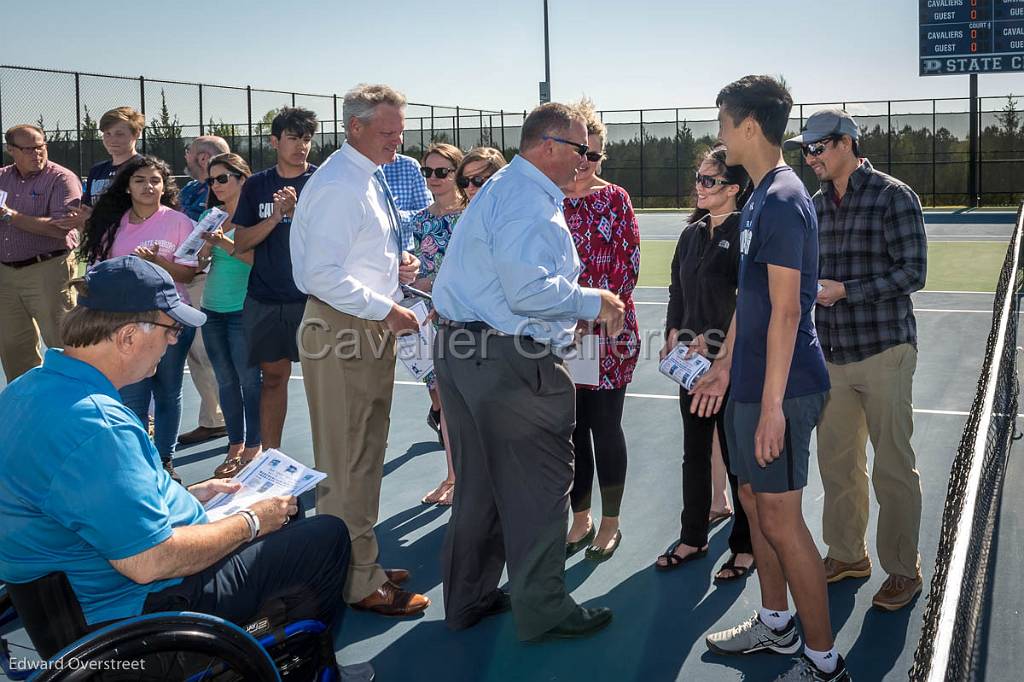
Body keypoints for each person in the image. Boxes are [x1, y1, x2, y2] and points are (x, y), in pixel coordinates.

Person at [0, 255, 372, 681]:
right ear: (126, 337)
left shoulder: (28, 389)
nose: (174, 341)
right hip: (135, 620)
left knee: (285, 517)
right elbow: (149, 561)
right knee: (324, 536)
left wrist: (189, 494)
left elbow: (79, 497)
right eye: (170, 329)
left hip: (75, 604)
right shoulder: (95, 424)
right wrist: (252, 521)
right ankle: (295, 667)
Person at [432, 102, 625, 642]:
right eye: (581, 149)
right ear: (549, 146)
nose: (587, 159)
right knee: (542, 487)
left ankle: (468, 598)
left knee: (479, 486)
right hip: (504, 361)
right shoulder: (527, 200)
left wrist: (566, 320)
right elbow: (529, 291)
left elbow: (510, 290)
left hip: (463, 348)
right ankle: (542, 609)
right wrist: (596, 303)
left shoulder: (505, 189)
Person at [691, 75, 849, 681]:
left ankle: (824, 661)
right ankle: (778, 625)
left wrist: (772, 407)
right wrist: (727, 363)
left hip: (783, 389)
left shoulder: (782, 199)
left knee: (782, 519)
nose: (720, 135)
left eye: (725, 123)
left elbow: (788, 311)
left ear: (749, 126)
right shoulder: (759, 196)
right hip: (753, 382)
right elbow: (750, 301)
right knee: (755, 505)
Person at [290, 83, 430, 617]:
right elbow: (317, 273)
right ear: (356, 127)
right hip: (346, 328)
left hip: (362, 325)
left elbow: (352, 257)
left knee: (364, 453)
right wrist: (388, 308)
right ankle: (356, 579)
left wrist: (397, 269)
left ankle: (358, 562)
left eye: (400, 130)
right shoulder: (340, 186)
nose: (399, 139)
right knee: (348, 460)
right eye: (388, 131)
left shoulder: (366, 178)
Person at [784, 109, 927, 611]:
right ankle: (847, 555)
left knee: (892, 468)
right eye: (805, 150)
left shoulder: (893, 196)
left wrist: (847, 292)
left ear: (847, 143)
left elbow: (913, 273)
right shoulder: (814, 206)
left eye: (818, 147)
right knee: (838, 466)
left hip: (886, 351)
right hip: (832, 358)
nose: (810, 157)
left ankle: (902, 570)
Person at [654, 146, 755, 583]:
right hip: (691, 366)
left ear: (734, 189)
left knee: (736, 459)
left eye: (710, 181)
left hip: (731, 364)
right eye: (698, 178)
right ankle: (692, 536)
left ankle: (746, 547)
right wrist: (673, 330)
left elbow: (746, 301)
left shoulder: (745, 233)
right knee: (694, 452)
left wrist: (716, 346)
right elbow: (678, 288)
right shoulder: (691, 234)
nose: (700, 186)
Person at [80, 156, 200, 482]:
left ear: (164, 185)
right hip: (126, 323)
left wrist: (158, 262)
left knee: (167, 391)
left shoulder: (179, 222)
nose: (149, 186)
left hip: (171, 319)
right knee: (132, 394)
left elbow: (188, 275)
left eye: (155, 180)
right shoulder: (114, 224)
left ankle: (164, 461)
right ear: (128, 187)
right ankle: (135, 461)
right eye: (140, 180)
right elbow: (102, 271)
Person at [562, 99, 641, 563]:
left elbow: (625, 268)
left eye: (593, 156)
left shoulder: (615, 199)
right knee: (570, 429)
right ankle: (580, 516)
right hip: (559, 335)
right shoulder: (548, 199)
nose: (585, 163)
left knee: (604, 427)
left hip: (607, 334)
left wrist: (587, 316)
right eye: (579, 153)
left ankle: (610, 521)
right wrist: (562, 319)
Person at [231, 107, 318, 451]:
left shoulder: (320, 182)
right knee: (273, 380)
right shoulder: (256, 185)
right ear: (274, 141)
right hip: (265, 300)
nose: (302, 146)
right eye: (294, 138)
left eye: (307, 139)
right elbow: (240, 243)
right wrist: (276, 217)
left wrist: (297, 214)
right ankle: (271, 458)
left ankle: (330, 463)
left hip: (312, 301)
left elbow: (332, 242)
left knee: (322, 386)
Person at [194, 153, 262, 479]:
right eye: (211, 180)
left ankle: (254, 446)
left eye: (223, 178)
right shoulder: (210, 215)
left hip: (243, 311)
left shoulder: (254, 219)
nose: (216, 185)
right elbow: (197, 263)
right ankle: (235, 445)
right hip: (212, 310)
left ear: (241, 178)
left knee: (250, 381)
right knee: (225, 381)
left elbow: (259, 263)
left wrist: (225, 243)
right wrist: (204, 250)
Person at [0, 124, 82, 382]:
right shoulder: (2, 177)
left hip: (49, 269)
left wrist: (9, 216)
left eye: (41, 146)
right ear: (11, 150)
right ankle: (27, 407)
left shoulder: (61, 178)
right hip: (5, 275)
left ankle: (78, 405)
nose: (37, 153)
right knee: (14, 347)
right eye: (29, 149)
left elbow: (60, 229)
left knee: (63, 342)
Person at [410, 143, 466, 507]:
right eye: (427, 172)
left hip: (468, 323)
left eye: (441, 172)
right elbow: (418, 270)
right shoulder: (420, 220)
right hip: (431, 322)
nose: (433, 179)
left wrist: (433, 282)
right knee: (443, 403)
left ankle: (467, 478)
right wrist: (408, 274)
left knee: (464, 406)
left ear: (456, 173)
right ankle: (453, 475)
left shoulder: (470, 216)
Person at [178, 135, 231, 447]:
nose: (187, 157)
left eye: (191, 152)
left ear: (202, 158)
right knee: (196, 354)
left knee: (207, 351)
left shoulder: (222, 191)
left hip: (209, 277)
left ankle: (224, 419)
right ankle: (213, 418)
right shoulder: (187, 189)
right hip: (185, 276)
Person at [83, 107, 145, 207]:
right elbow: (88, 207)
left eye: (119, 134)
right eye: (108, 134)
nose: (112, 140)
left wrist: (94, 217)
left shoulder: (146, 168)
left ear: (136, 134)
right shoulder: (96, 170)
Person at [382, 151, 431, 237]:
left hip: (404, 249)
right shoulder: (351, 168)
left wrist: (396, 218)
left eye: (400, 136)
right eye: (388, 136)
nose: (399, 141)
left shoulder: (409, 166)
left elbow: (427, 215)